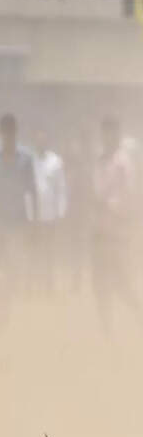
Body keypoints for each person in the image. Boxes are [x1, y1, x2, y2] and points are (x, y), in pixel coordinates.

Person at [0, 113, 37, 313]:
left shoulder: (26, 159)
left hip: (19, 219)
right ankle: (2, 297)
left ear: (15, 133)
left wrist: (34, 220)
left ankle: (9, 298)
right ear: (1, 133)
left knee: (14, 262)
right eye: (5, 133)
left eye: (11, 133)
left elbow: (32, 191)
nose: (8, 136)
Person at [90, 116, 138, 333]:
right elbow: (95, 190)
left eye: (111, 133)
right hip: (100, 229)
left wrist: (114, 208)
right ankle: (107, 330)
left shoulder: (123, 161)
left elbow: (130, 194)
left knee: (121, 283)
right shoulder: (99, 160)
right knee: (99, 283)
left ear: (117, 135)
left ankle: (139, 315)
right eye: (105, 132)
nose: (108, 137)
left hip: (117, 230)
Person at [32, 130, 67, 291]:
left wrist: (61, 212)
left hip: (50, 215)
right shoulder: (30, 160)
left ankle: (49, 284)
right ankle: (34, 283)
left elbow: (61, 188)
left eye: (43, 140)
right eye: (38, 140)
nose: (41, 143)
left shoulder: (55, 162)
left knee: (49, 251)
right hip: (34, 214)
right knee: (35, 250)